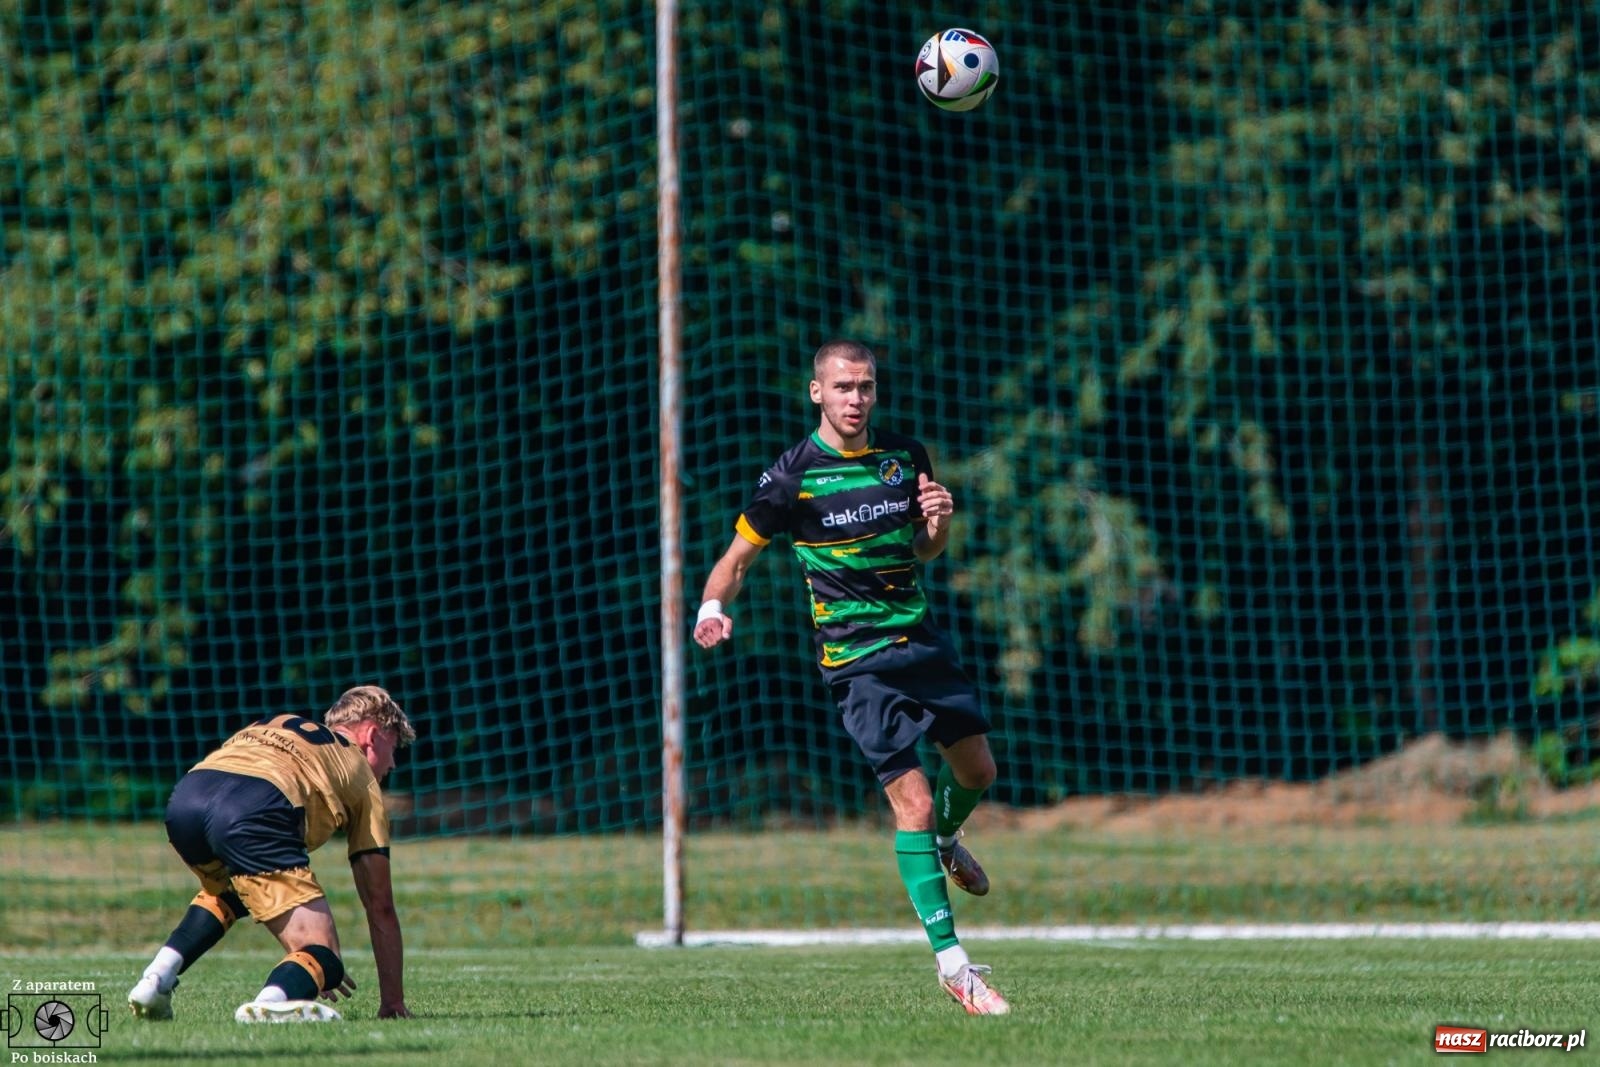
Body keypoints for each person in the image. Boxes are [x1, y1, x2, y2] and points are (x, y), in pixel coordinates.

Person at [693, 339, 1009, 1016]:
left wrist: (939, 525)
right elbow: (736, 560)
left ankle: (949, 841)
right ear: (817, 393)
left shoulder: (905, 457)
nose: (855, 399)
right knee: (913, 806)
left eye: (865, 387)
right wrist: (713, 607)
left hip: (919, 638)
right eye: (842, 387)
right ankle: (954, 965)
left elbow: (924, 550)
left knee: (979, 771)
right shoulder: (791, 477)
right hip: (857, 659)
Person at [127, 685, 415, 1023]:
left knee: (231, 893)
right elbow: (379, 904)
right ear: (371, 735)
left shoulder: (277, 723)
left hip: (187, 800)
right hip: (257, 805)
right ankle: (270, 1002)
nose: (392, 763)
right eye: (393, 748)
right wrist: (391, 1002)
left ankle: (157, 978)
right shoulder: (362, 775)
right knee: (324, 955)